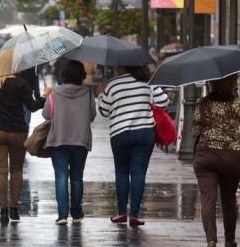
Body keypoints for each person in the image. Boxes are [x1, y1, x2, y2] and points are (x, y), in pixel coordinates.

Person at [0, 49, 47, 225]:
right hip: (17, 131)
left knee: (0, 172)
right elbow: (32, 107)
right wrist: (44, 98)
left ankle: (3, 210)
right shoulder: (21, 83)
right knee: (16, 170)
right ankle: (14, 209)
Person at [97, 65, 168, 226]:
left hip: (120, 133)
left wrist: (101, 94)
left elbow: (103, 111)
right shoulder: (147, 82)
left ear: (121, 66)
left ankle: (122, 212)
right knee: (138, 173)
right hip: (144, 132)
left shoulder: (113, 85)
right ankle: (134, 215)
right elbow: (164, 101)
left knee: (122, 172)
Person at [192, 74, 240, 247]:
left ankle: (211, 241)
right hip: (232, 157)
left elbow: (195, 130)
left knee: (208, 200)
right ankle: (229, 240)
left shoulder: (203, 104)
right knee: (228, 200)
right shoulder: (236, 104)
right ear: (232, 82)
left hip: (206, 156)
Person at [42, 60, 96, 225]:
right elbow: (92, 116)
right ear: (82, 76)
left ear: (64, 75)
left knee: (61, 176)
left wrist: (48, 97)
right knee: (77, 177)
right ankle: (77, 213)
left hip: (58, 140)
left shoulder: (55, 93)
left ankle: (62, 215)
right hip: (80, 140)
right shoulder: (87, 93)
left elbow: (46, 115)